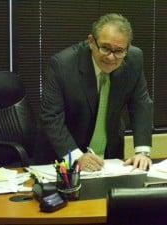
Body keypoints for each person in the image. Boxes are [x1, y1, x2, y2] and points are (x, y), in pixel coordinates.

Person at [40, 13, 153, 172]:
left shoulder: (134, 59)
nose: (111, 57)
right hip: (65, 159)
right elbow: (51, 117)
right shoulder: (62, 65)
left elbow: (141, 105)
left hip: (109, 160)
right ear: (91, 41)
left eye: (119, 51)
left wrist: (142, 152)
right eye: (105, 48)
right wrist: (77, 157)